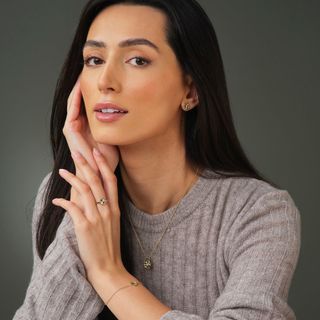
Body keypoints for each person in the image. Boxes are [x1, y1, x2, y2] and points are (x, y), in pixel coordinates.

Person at [13, 0, 301, 319]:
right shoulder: (62, 193)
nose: (105, 80)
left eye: (137, 60)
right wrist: (89, 176)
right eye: (94, 59)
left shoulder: (258, 213)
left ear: (190, 91)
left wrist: (110, 274)